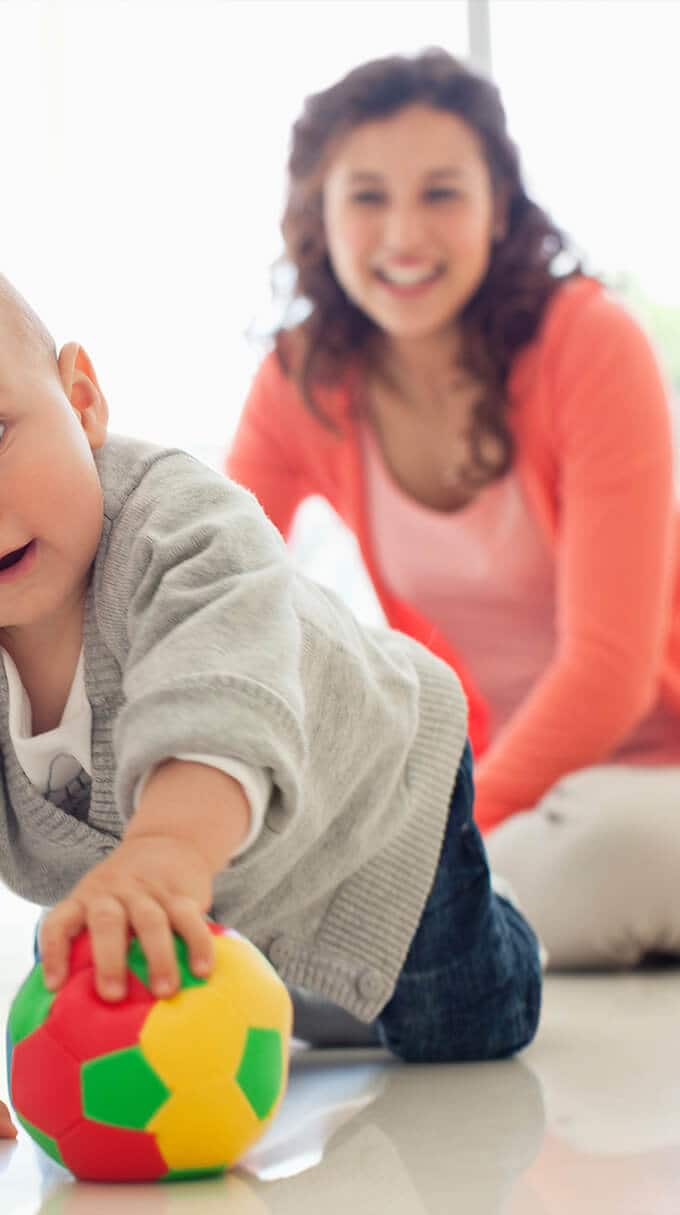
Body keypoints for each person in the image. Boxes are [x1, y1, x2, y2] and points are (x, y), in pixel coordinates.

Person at [0, 225, 540, 1157]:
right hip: (187, 872)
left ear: (80, 402)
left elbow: (223, 691)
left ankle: (504, 913)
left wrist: (164, 848)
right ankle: (289, 967)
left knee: (462, 1026)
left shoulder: (186, 526)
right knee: (168, 960)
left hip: (374, 805)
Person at [226, 48, 680, 972]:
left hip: (645, 783)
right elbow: (210, 591)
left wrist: (440, 838)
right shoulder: (302, 382)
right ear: (320, 213)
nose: (404, 233)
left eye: (441, 193)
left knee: (599, 848)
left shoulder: (591, 344)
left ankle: (375, 962)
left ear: (498, 208)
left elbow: (611, 672)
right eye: (366, 197)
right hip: (522, 793)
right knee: (328, 872)